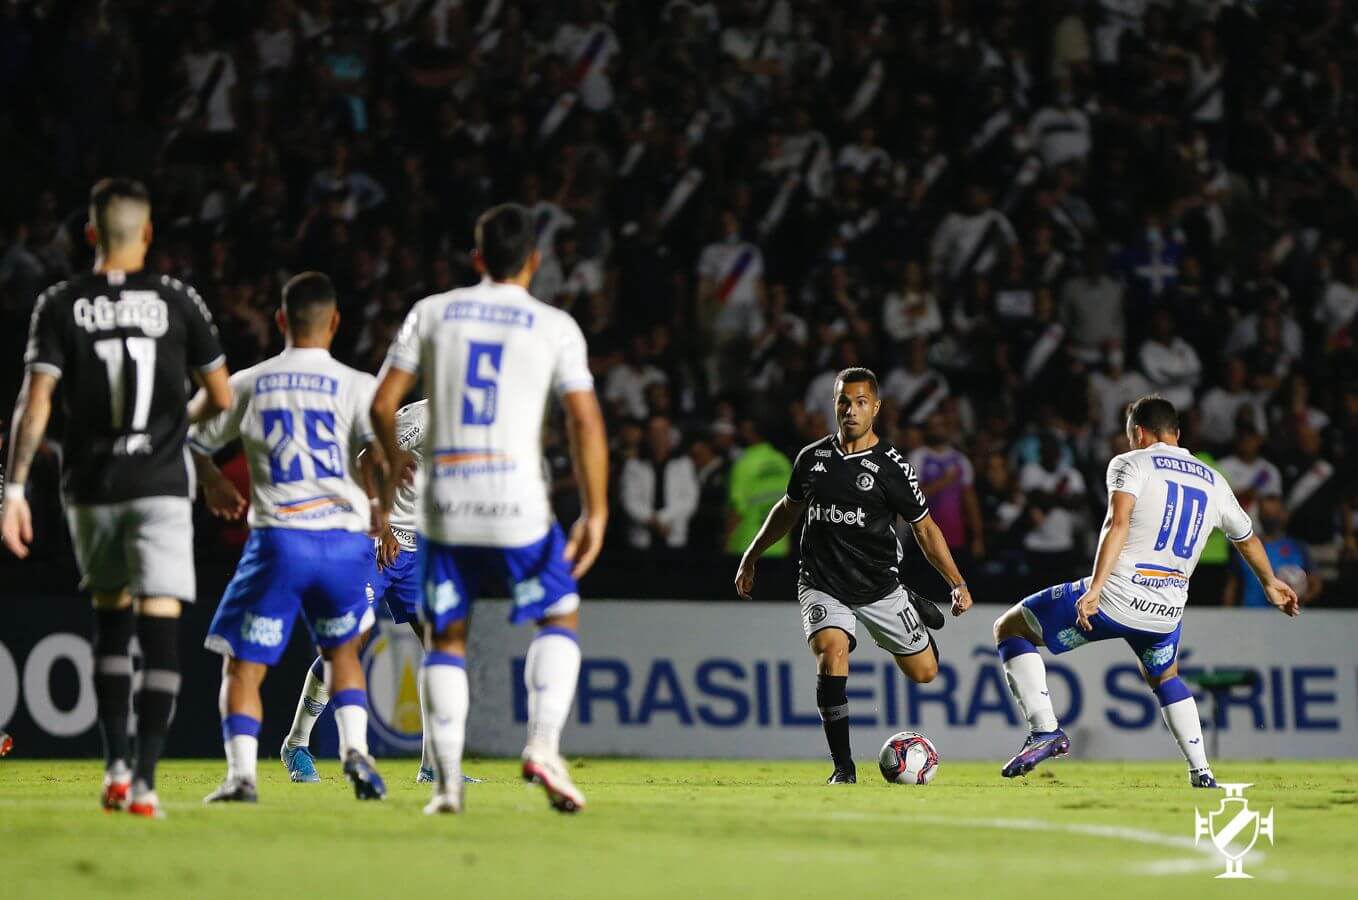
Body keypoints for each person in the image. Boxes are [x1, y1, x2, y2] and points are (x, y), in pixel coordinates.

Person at [2, 178, 233, 818]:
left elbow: (36, 402)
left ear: (89, 234)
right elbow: (221, 397)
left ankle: (115, 769)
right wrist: (173, 426)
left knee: (111, 619)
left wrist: (13, 488)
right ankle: (148, 784)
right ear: (148, 234)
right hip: (158, 483)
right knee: (159, 624)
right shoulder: (178, 300)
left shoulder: (60, 303)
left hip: (91, 489)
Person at [370, 203, 608, 815]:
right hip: (518, 505)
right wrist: (596, 511)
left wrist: (397, 467)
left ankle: (446, 783)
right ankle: (543, 746)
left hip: (445, 510)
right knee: (559, 613)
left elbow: (382, 404)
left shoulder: (432, 312)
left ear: (475, 257)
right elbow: (584, 420)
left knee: (445, 635)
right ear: (534, 261)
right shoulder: (554, 325)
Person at [991, 396, 1300, 787]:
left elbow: (1117, 525)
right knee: (1166, 677)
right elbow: (1248, 538)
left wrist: (1095, 589)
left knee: (1010, 628)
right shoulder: (1213, 479)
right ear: (1178, 433)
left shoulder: (1130, 463)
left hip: (1116, 598)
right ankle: (1201, 770)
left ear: (1137, 431)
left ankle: (1045, 730)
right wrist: (1271, 582)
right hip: (1165, 612)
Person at [190, 271, 387, 804]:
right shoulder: (359, 385)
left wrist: (210, 481)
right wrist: (379, 506)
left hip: (280, 539)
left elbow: (190, 436)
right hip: (344, 542)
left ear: (280, 320)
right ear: (336, 323)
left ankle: (242, 779)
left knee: (242, 665)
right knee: (343, 652)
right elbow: (383, 455)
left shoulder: (247, 383)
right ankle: (356, 753)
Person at [734, 367, 974, 784]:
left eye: (861, 402)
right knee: (832, 651)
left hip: (880, 587)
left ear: (876, 408)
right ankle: (843, 768)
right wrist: (751, 555)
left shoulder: (893, 467)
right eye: (844, 401)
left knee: (925, 673)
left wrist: (957, 583)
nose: (851, 410)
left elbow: (926, 529)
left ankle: (910, 600)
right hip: (822, 581)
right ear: (835, 404)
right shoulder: (812, 458)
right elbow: (788, 510)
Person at [277, 399, 469, 787]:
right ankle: (296, 744)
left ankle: (433, 764)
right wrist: (379, 522)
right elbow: (366, 459)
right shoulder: (422, 418)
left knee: (441, 648)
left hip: (423, 548)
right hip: (376, 539)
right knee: (347, 643)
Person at [1224, 495, 1321, 607]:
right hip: (1252, 616)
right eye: (1266, 514)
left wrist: (1301, 596)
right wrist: (1228, 614)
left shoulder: (1298, 547)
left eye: (1275, 513)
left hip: (1288, 617)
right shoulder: (1246, 546)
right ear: (1259, 516)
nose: (1270, 517)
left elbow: (1316, 583)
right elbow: (1231, 586)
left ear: (1284, 515)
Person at [724, 417, 793, 558]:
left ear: (750, 433)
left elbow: (737, 509)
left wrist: (726, 544)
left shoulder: (744, 465)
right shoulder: (782, 462)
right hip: (779, 547)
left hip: (747, 547)